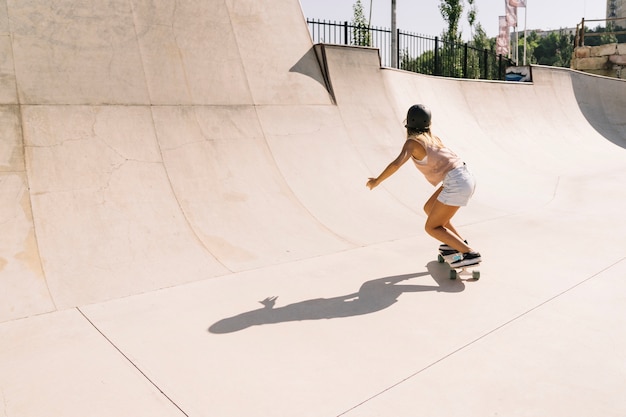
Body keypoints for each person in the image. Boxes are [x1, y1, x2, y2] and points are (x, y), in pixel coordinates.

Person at [366, 104, 481, 267]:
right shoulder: (433, 139)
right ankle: (456, 243)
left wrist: (377, 181)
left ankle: (469, 254)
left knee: (432, 227)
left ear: (408, 124)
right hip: (463, 176)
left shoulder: (412, 143)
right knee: (429, 208)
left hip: (456, 181)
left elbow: (396, 164)